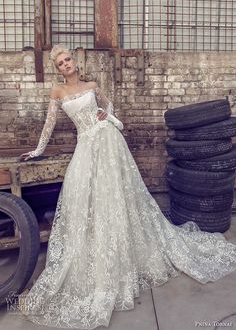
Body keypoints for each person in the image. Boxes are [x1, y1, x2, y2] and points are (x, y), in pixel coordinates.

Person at [18, 44, 236, 329]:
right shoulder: (58, 92)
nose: (66, 65)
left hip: (109, 142)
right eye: (60, 63)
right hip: (86, 147)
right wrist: (37, 150)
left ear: (75, 61)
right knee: (87, 201)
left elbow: (108, 106)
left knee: (120, 196)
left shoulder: (92, 84)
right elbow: (49, 124)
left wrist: (104, 113)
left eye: (68, 59)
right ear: (57, 69)